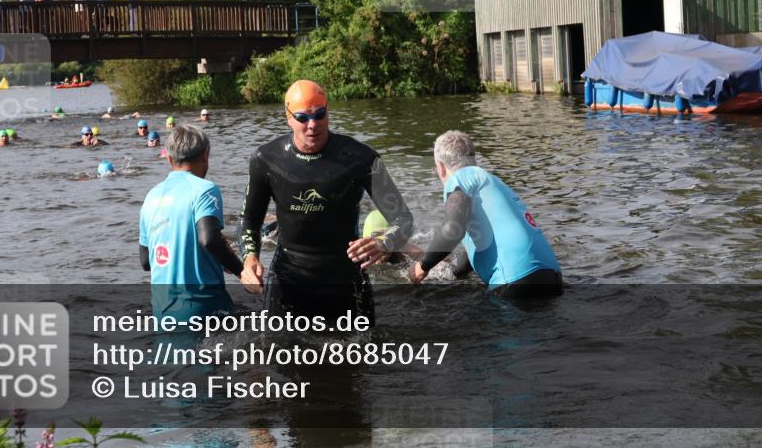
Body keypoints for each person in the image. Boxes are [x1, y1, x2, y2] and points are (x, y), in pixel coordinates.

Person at [239, 79, 414, 324]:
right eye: (303, 118)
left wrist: (382, 243)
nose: (313, 125)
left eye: (320, 115)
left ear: (328, 112)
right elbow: (249, 220)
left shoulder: (360, 158)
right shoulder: (266, 159)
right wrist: (250, 259)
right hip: (288, 276)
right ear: (288, 117)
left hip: (344, 275)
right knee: (277, 353)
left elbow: (404, 220)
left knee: (363, 356)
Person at [409, 131, 562, 298]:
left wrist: (422, 267)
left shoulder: (459, 180)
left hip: (515, 280)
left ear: (441, 166)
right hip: (551, 276)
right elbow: (477, 248)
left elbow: (453, 229)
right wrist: (451, 272)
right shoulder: (492, 182)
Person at [140, 124, 247, 321]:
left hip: (162, 310)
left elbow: (146, 261)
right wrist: (243, 273)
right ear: (205, 154)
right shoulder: (205, 189)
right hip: (204, 306)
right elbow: (209, 240)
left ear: (169, 159)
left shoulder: (151, 196)